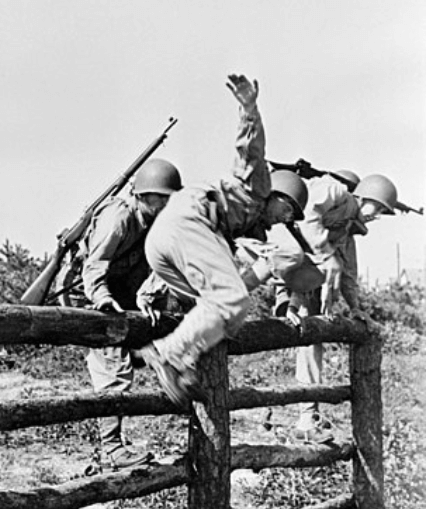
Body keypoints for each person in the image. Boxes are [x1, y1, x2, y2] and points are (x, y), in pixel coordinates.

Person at [136, 74, 308, 407]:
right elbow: (250, 150)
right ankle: (166, 354)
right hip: (188, 220)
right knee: (233, 300)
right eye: (287, 210)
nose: (284, 219)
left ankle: (183, 364)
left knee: (226, 309)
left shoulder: (233, 231)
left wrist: (149, 289)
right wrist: (249, 108)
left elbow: (194, 254)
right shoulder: (256, 188)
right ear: (276, 195)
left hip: (164, 240)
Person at [272, 171, 399, 442]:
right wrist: (324, 256)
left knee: (313, 342)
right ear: (362, 196)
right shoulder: (333, 192)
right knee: (307, 342)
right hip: (286, 264)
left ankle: (309, 415)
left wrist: (355, 307)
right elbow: (304, 216)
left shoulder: (345, 232)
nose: (376, 217)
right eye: (377, 209)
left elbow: (349, 275)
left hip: (305, 279)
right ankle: (306, 420)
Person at [79, 159, 182, 469]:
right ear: (141, 195)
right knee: (113, 363)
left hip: (127, 295)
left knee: (158, 336)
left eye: (168, 198)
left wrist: (152, 296)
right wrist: (103, 298)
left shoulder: (158, 224)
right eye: (158, 197)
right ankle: (111, 449)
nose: (164, 203)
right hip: (95, 294)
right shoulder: (119, 218)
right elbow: (94, 265)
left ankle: (148, 356)